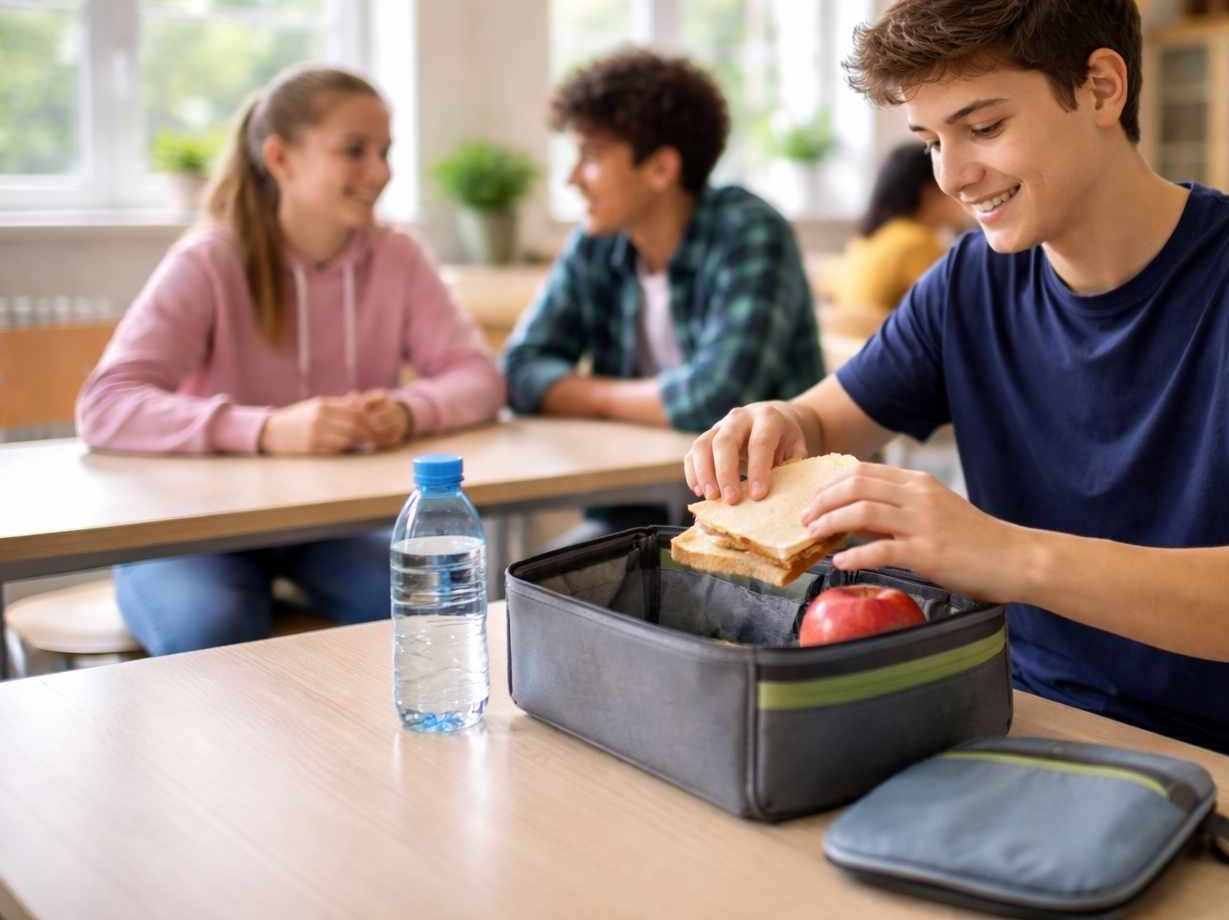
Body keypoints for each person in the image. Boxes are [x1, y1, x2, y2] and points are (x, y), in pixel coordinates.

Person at [685, 0, 1229, 799]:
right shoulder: (970, 281)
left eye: (982, 126)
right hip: (1024, 732)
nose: (951, 175)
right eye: (929, 139)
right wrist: (781, 423)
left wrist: (1002, 554)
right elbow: (827, 418)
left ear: (1101, 87)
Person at [77, 64, 504, 655]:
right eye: (354, 151)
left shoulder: (398, 255)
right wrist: (268, 428)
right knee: (213, 634)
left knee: (446, 611)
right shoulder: (208, 261)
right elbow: (105, 406)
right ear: (280, 158)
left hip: (331, 527)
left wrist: (407, 411)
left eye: (385, 151)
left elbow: (479, 378)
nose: (379, 172)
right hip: (200, 531)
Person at [502, 49, 824, 536]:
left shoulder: (749, 230)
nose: (572, 179)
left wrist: (586, 393)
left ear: (659, 169)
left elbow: (716, 396)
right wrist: (614, 397)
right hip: (637, 508)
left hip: (771, 510)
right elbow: (520, 369)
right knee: (542, 582)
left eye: (590, 155)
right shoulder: (595, 241)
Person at [830, 142, 973, 312]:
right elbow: (958, 308)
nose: (965, 194)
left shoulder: (870, 237)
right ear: (930, 193)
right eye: (959, 187)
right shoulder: (916, 243)